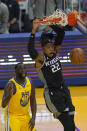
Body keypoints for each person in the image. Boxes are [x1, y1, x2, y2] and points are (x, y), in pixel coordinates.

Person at [27, 20, 75, 131]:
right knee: (68, 123)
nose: (51, 48)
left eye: (52, 46)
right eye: (48, 47)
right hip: (53, 94)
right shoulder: (40, 59)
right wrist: (33, 31)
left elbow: (61, 33)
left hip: (64, 90)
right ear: (43, 48)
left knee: (71, 120)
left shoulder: (55, 52)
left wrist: (50, 23)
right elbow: (30, 50)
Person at [2, 63, 36, 131]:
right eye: (20, 69)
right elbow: (3, 105)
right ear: (15, 71)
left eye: (24, 68)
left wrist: (33, 118)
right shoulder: (10, 84)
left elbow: (33, 100)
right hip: (13, 117)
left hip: (25, 115)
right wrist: (9, 96)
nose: (23, 70)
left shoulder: (30, 81)